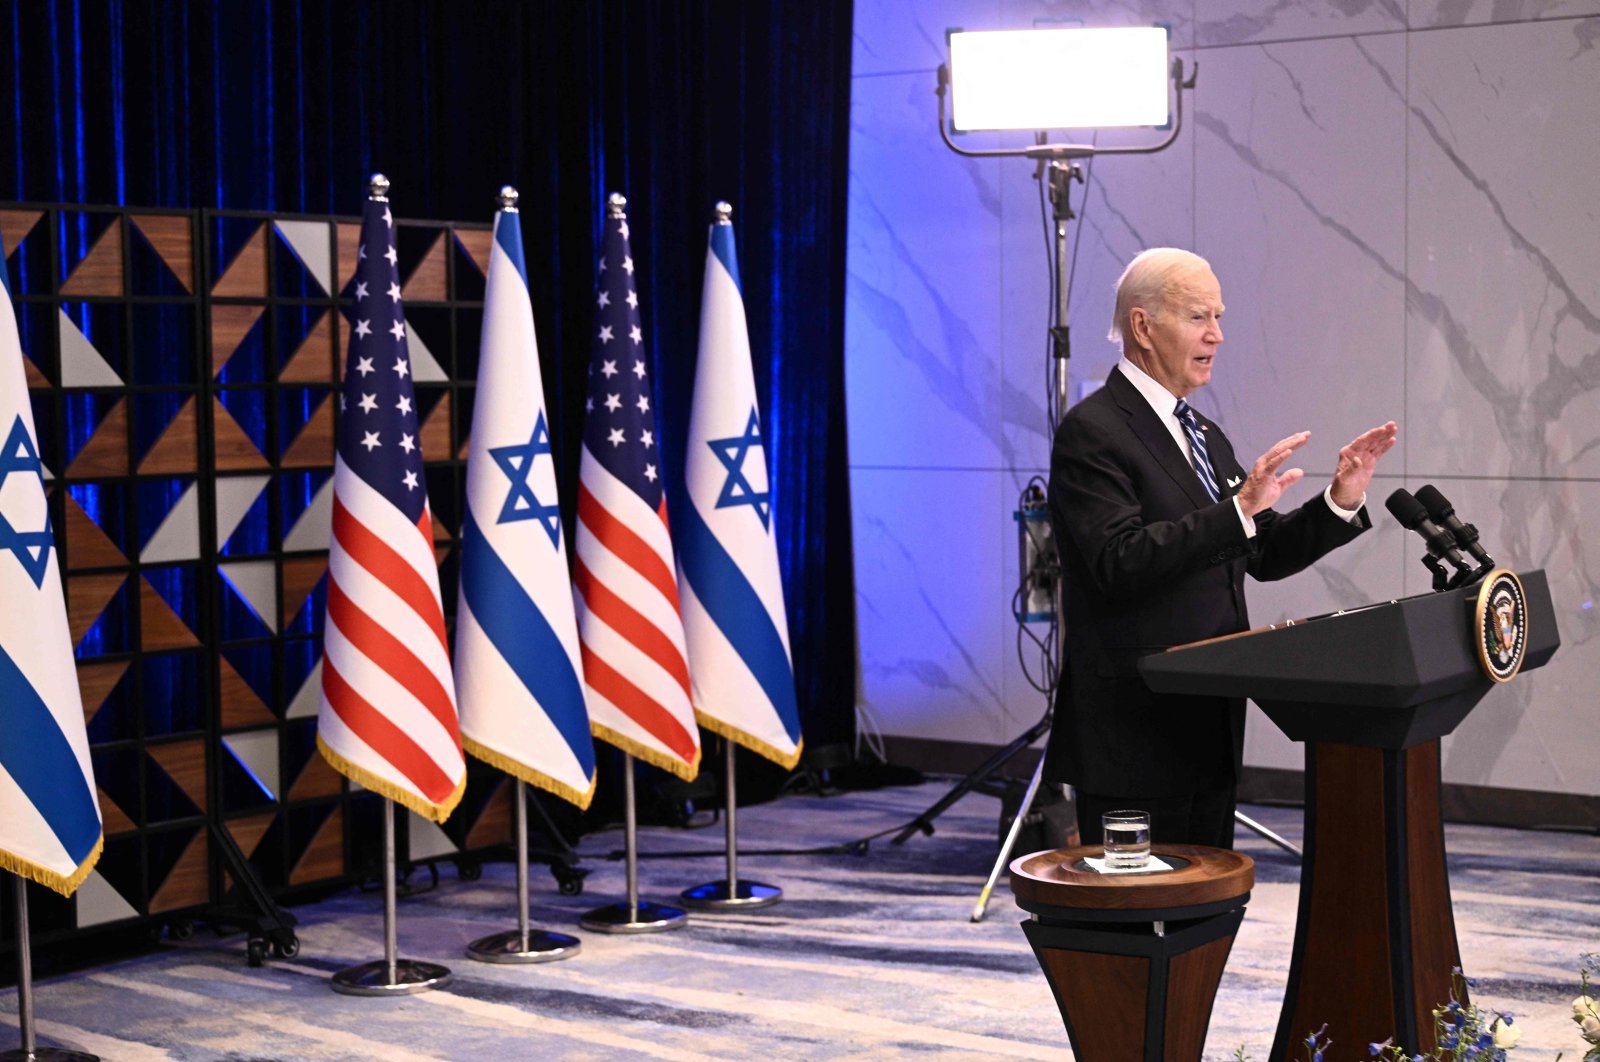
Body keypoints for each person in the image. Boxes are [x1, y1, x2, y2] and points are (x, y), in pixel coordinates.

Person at [1041, 247, 1397, 850]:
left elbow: (1257, 550)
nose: (1218, 335)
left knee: (1205, 911)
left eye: (1219, 317)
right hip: (1136, 724)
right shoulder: (1093, 431)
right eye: (1200, 317)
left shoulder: (1199, 432)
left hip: (1209, 714)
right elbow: (1117, 560)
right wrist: (1236, 513)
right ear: (1143, 327)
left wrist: (1340, 499)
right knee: (1139, 923)